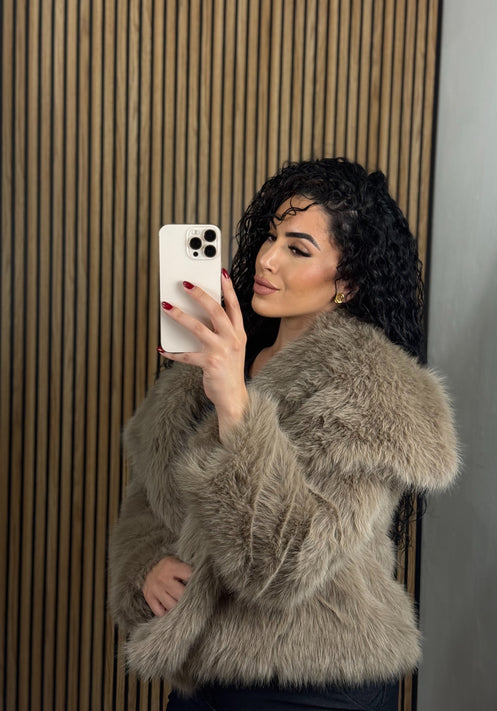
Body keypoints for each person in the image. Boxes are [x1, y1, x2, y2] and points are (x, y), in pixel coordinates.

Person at [108, 158, 459, 711]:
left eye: (298, 249)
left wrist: (236, 407)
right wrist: (145, 567)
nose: (267, 259)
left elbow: (283, 565)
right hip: (204, 675)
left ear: (346, 282)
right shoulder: (214, 368)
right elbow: (150, 502)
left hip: (315, 683)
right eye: (271, 237)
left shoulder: (370, 392)